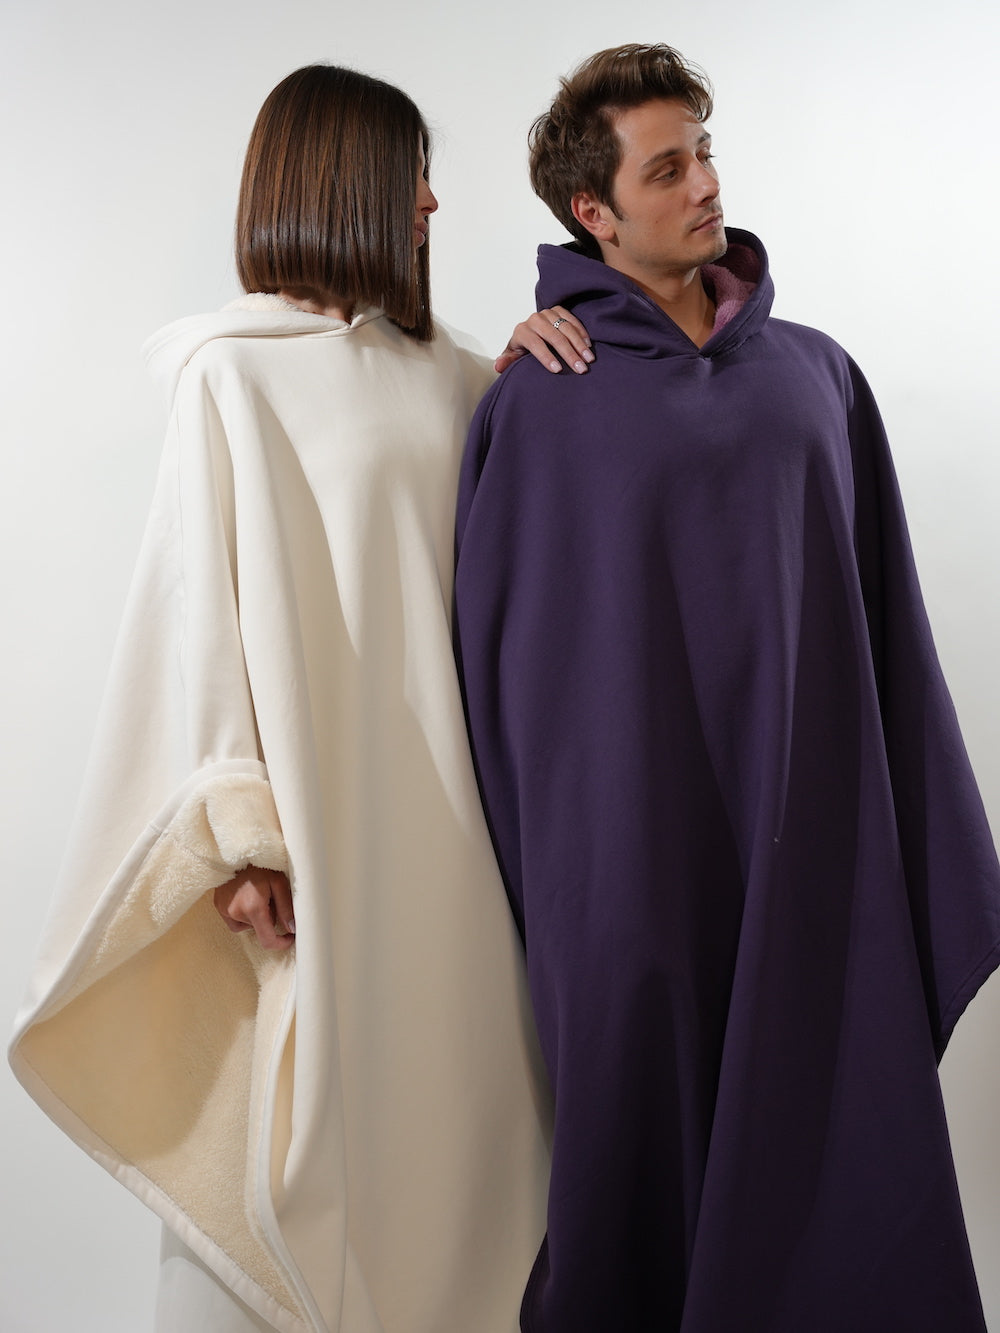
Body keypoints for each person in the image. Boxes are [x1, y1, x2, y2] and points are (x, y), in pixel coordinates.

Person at [8, 63, 594, 1333]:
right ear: (347, 183)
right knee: (292, 1125)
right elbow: (197, 606)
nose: (431, 203)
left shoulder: (454, 376)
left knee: (468, 1123)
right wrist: (241, 835)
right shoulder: (230, 376)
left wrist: (535, 367)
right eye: (412, 176)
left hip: (457, 834)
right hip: (322, 824)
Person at [453, 42, 1000, 1333]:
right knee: (634, 1146)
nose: (705, 183)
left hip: (810, 827)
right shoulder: (543, 402)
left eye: (702, 152)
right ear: (593, 212)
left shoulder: (815, 372)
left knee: (828, 1123)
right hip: (631, 852)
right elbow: (505, 655)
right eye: (667, 168)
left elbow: (882, 611)